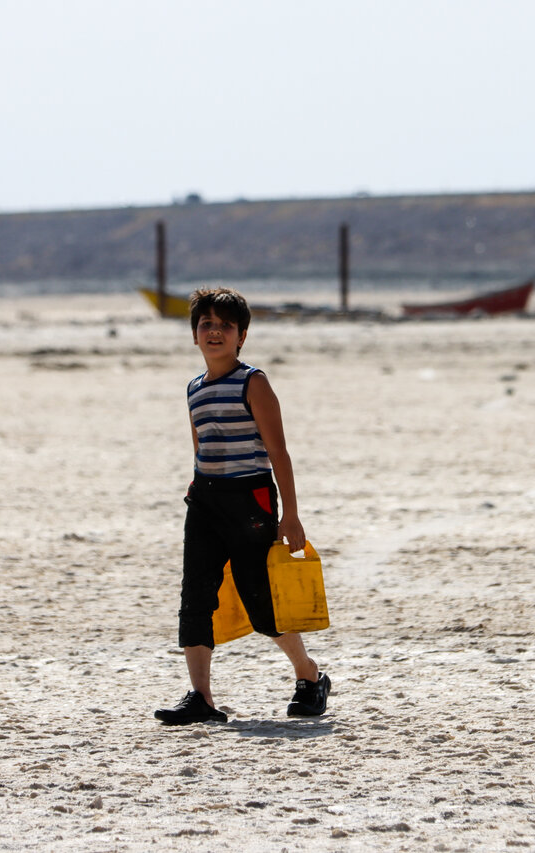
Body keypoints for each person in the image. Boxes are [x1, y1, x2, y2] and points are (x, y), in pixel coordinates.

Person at [155, 287, 331, 725]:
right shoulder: (194, 388)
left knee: (261, 602)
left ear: (242, 336)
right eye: (206, 324)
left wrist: (290, 514)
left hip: (250, 498)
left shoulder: (253, 381)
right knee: (195, 597)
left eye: (225, 326)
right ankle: (201, 699)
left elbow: (279, 453)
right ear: (194, 335)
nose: (215, 332)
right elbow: (200, 448)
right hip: (205, 499)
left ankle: (309, 677)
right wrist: (199, 492)